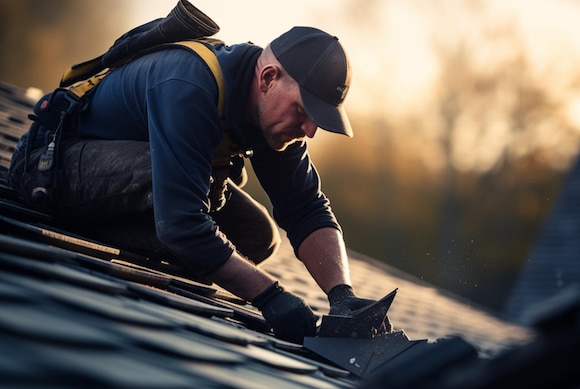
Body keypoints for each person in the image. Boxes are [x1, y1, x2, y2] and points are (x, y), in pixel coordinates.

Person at [8, 25, 386, 344]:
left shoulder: (274, 116)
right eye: (303, 111)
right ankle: (144, 228)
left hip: (143, 182)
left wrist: (342, 297)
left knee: (257, 238)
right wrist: (271, 296)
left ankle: (150, 229)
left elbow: (306, 208)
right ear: (268, 78)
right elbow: (184, 218)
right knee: (175, 202)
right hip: (48, 164)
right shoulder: (189, 83)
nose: (310, 130)